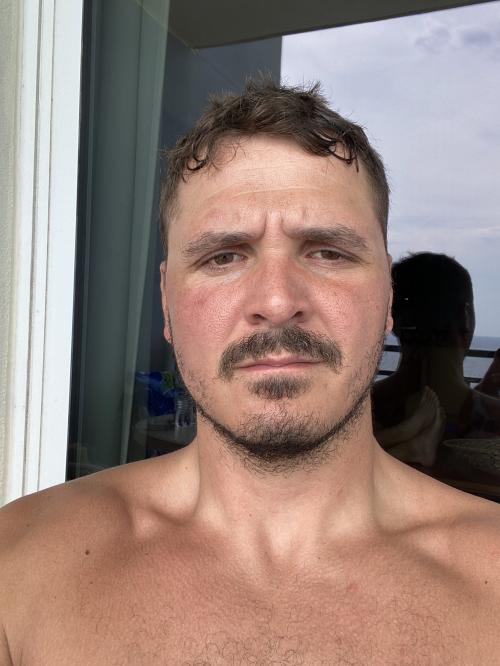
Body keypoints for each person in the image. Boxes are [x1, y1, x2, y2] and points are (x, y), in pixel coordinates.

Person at [2, 79, 500, 665]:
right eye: (224, 256)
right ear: (166, 302)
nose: (277, 300)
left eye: (328, 252)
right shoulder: (20, 568)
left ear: (387, 296)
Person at [373, 252, 500, 474]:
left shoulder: (361, 410)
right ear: (466, 317)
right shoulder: (491, 419)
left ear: (394, 323)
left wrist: (488, 383)